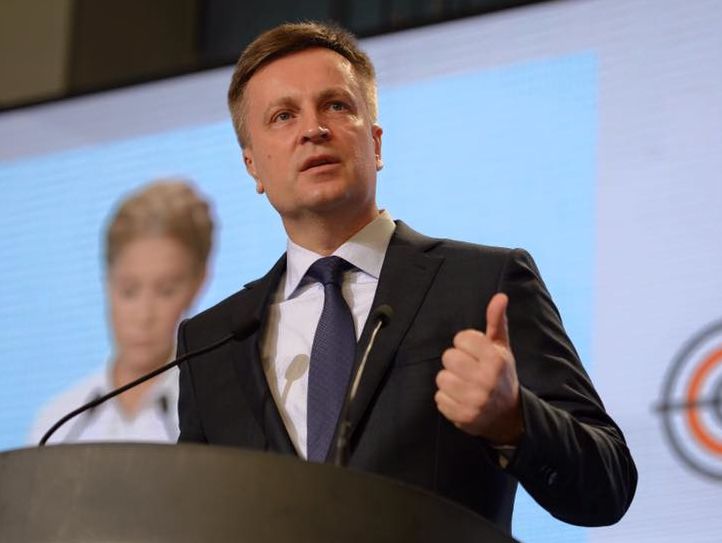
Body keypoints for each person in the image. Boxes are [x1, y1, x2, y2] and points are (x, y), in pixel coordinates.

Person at [176, 22, 637, 533]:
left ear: (375, 144)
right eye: (284, 116)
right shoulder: (211, 344)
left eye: (336, 105)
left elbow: (608, 483)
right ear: (252, 167)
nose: (313, 129)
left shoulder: (484, 283)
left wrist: (515, 420)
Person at [30, 180, 213, 445]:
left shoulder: (212, 416)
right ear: (107, 281)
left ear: (198, 284)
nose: (144, 316)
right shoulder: (59, 421)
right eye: (129, 291)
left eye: (166, 291)